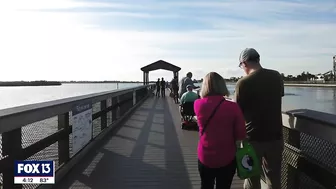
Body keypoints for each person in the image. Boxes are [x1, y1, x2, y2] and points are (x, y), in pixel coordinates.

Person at [235, 48, 284, 189]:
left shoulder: (243, 83)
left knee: (251, 178)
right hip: (276, 137)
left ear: (244, 63)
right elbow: (276, 97)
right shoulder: (276, 76)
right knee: (274, 179)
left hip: (252, 138)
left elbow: (238, 111)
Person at [194, 72, 247, 189]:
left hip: (205, 155)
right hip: (227, 156)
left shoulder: (198, 104)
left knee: (206, 185)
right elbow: (241, 134)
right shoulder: (233, 107)